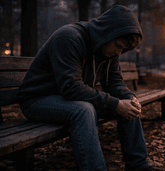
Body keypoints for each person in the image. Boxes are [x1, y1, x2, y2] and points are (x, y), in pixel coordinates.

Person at [17, 5, 157, 171]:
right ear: (107, 32)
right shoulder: (69, 38)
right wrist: (115, 104)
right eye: (118, 45)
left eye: (123, 49)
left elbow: (114, 82)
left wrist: (129, 97)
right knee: (84, 109)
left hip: (67, 99)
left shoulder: (110, 51)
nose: (118, 52)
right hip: (37, 100)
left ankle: (139, 166)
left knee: (128, 104)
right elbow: (70, 87)